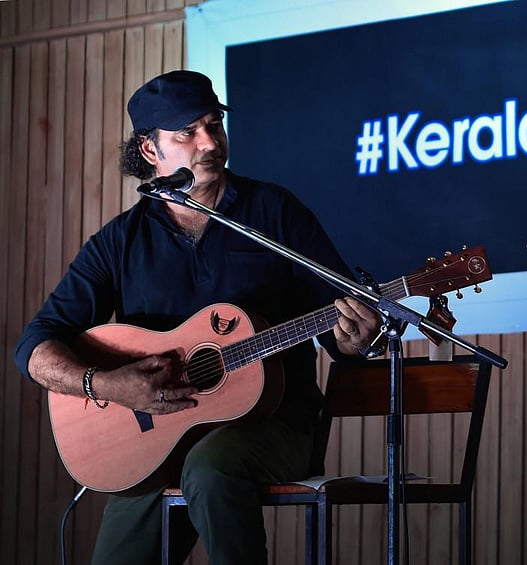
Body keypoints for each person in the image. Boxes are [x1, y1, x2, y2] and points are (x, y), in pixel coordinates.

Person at [14, 70, 384, 565]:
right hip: (155, 439)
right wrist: (105, 385)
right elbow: (34, 346)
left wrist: (355, 338)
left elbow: (341, 324)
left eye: (214, 124)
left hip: (274, 425)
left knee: (209, 467)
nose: (209, 142)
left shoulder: (274, 213)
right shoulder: (119, 241)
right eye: (186, 132)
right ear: (151, 152)